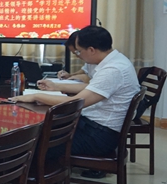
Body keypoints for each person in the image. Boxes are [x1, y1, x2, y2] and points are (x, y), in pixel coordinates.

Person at [12, 26, 139, 159]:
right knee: (40, 132)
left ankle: (41, 172)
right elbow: (92, 89)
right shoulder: (116, 60)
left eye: (78, 51)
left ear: (91, 50)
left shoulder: (113, 70)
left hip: (98, 136)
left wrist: (36, 96)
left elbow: (76, 102)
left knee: (32, 144)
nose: (78, 55)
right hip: (93, 126)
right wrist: (56, 87)